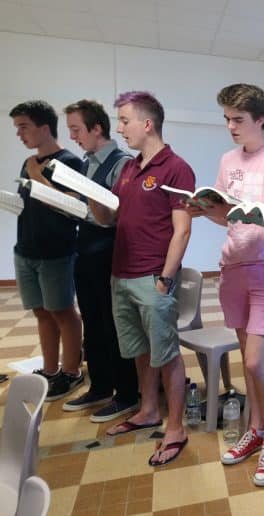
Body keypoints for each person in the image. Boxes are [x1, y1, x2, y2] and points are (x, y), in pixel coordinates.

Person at [185, 83, 264, 486]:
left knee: (256, 360)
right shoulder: (227, 160)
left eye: (238, 120)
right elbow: (227, 216)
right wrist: (207, 211)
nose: (231, 127)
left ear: (261, 120)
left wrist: (254, 214)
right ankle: (255, 429)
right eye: (227, 119)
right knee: (245, 355)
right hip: (234, 264)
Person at [90, 91, 194, 467]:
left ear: (147, 123)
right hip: (122, 275)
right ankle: (149, 409)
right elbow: (109, 218)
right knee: (141, 351)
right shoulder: (130, 168)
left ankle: (176, 427)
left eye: (124, 121)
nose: (119, 129)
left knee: (166, 354)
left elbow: (182, 231)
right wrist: (91, 198)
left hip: (153, 277)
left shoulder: (176, 168)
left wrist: (165, 279)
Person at [60, 100, 139, 423]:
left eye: (77, 129)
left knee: (113, 325)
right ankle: (100, 386)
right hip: (86, 250)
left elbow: (119, 216)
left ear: (96, 128)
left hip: (109, 252)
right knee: (92, 323)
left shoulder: (123, 165)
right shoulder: (87, 162)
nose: (73, 136)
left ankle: (126, 393)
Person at [9, 100, 84, 401]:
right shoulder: (27, 162)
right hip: (25, 249)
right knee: (41, 313)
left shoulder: (71, 162)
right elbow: (26, 203)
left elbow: (73, 208)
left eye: (23, 126)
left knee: (63, 312)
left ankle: (71, 372)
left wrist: (36, 174)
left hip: (57, 252)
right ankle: (50, 370)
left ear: (44, 127)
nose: (19, 134)